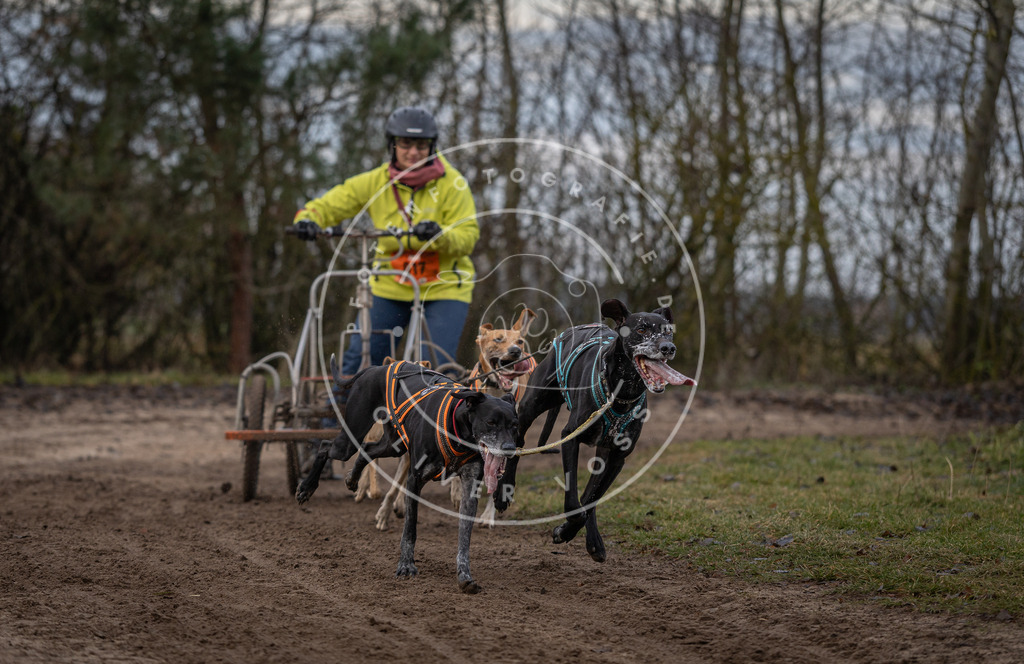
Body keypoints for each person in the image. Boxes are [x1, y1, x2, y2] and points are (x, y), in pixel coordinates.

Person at [292, 106, 479, 378]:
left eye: (421, 145)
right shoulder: (374, 181)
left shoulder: (453, 185)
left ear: (432, 146)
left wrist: (440, 235)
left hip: (444, 287)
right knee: (361, 360)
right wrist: (308, 220)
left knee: (435, 367)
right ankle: (339, 418)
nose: (413, 152)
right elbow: (333, 203)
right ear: (393, 145)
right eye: (405, 144)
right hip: (390, 283)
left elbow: (468, 237)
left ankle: (430, 417)